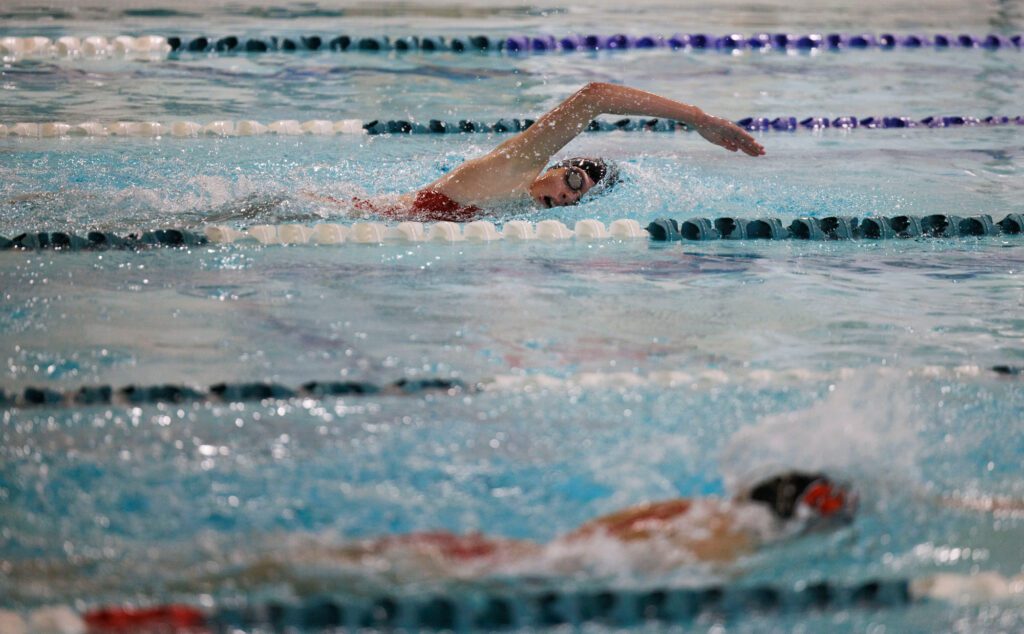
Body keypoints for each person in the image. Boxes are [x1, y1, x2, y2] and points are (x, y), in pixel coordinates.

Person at [216, 471, 854, 587]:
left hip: (530, 551)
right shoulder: (734, 547)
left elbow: (593, 531)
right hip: (537, 572)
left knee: (336, 561)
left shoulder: (689, 506)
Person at [319, 82, 766, 221]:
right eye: (573, 180)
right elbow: (595, 97)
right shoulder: (519, 164)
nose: (569, 196)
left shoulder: (521, 206)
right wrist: (697, 118)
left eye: (578, 197)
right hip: (345, 216)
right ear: (557, 164)